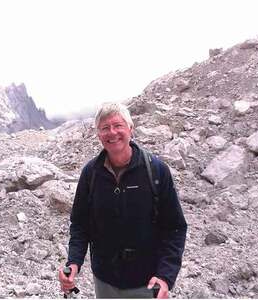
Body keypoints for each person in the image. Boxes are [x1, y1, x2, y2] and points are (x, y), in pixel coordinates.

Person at [58, 102, 188, 298]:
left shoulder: (156, 171)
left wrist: (165, 276)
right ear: (98, 135)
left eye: (118, 125)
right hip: (105, 280)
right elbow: (80, 224)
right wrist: (74, 262)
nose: (112, 133)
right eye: (105, 128)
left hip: (147, 282)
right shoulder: (91, 173)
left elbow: (175, 227)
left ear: (130, 129)